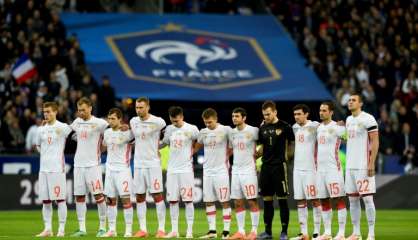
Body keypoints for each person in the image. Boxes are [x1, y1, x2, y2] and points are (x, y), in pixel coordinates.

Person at [70, 97, 109, 237]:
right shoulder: (76, 122)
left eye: (83, 110)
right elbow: (69, 133)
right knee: (79, 197)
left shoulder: (100, 123)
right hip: (78, 165)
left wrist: (104, 147)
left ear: (90, 108)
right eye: (79, 110)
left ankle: (103, 227)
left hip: (93, 166)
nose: (81, 113)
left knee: (98, 196)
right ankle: (82, 228)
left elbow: (113, 133)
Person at [256, 101, 294, 240]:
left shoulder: (285, 126)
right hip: (266, 167)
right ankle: (268, 232)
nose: (266, 117)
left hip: (279, 167)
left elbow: (292, 143)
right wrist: (256, 154)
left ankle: (284, 232)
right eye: (264, 114)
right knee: (267, 200)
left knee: (282, 200)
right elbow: (262, 147)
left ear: (275, 112)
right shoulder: (262, 128)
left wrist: (288, 156)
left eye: (268, 114)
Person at [130, 97, 167, 238]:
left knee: (157, 195)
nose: (138, 110)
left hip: (153, 164)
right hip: (138, 164)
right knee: (139, 196)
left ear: (148, 107)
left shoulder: (159, 121)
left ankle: (161, 229)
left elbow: (167, 136)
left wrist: (159, 147)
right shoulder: (133, 122)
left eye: (141, 107)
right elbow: (133, 138)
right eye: (137, 107)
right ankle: (143, 229)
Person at [344, 93, 379, 240]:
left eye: (353, 100)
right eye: (349, 100)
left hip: (363, 165)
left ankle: (371, 233)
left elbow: (375, 141)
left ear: (361, 103)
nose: (350, 102)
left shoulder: (368, 118)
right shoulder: (348, 119)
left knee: (367, 199)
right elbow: (350, 140)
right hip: (350, 166)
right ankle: (356, 233)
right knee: (352, 200)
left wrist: (371, 163)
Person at [35, 102, 72, 237]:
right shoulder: (40, 129)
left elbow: (74, 135)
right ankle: (48, 229)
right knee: (46, 200)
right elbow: (38, 146)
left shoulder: (63, 127)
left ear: (56, 112)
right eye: (45, 112)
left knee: (60, 199)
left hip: (57, 169)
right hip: (43, 169)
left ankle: (61, 229)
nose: (46, 114)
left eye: (49, 111)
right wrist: (46, 155)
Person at [195, 108, 232, 239]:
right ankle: (212, 231)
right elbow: (197, 146)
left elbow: (233, 145)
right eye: (205, 122)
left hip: (221, 171)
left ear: (216, 119)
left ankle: (226, 231)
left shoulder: (226, 130)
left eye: (210, 122)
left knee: (224, 201)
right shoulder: (203, 132)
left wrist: (228, 155)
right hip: (207, 172)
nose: (208, 125)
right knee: (209, 201)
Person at [162, 106, 199, 238]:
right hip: (172, 170)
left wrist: (193, 151)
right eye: (172, 121)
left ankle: (189, 230)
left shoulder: (192, 129)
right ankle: (174, 230)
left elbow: (200, 141)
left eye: (176, 121)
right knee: (173, 200)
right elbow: (164, 143)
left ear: (182, 117)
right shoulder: (169, 129)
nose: (174, 123)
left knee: (188, 200)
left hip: (186, 170)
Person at [316, 102, 347, 240]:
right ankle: (327, 233)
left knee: (338, 198)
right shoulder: (317, 127)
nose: (321, 112)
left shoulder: (337, 127)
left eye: (324, 110)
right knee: (323, 200)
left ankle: (341, 233)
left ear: (331, 112)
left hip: (333, 169)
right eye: (320, 110)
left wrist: (344, 127)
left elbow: (347, 138)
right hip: (320, 170)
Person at [290, 104, 322, 240]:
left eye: (299, 114)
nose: (296, 117)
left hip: (311, 170)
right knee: (300, 201)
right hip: (297, 170)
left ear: (306, 114)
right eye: (295, 114)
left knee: (315, 200)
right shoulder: (294, 127)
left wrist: (337, 125)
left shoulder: (315, 126)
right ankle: (304, 233)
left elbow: (327, 127)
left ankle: (317, 232)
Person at [227, 108, 260, 240]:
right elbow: (230, 150)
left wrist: (258, 154)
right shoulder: (232, 133)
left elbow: (263, 144)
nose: (234, 118)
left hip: (249, 171)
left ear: (244, 117)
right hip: (236, 171)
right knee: (238, 202)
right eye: (233, 116)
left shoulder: (253, 130)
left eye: (237, 116)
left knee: (252, 201)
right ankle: (241, 231)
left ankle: (254, 231)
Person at [101, 108, 134, 237]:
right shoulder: (107, 132)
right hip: (109, 170)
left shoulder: (128, 133)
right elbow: (103, 147)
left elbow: (139, 140)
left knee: (126, 200)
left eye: (113, 118)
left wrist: (129, 127)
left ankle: (128, 230)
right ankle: (112, 230)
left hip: (123, 170)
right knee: (110, 200)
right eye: (109, 118)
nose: (110, 121)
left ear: (120, 119)